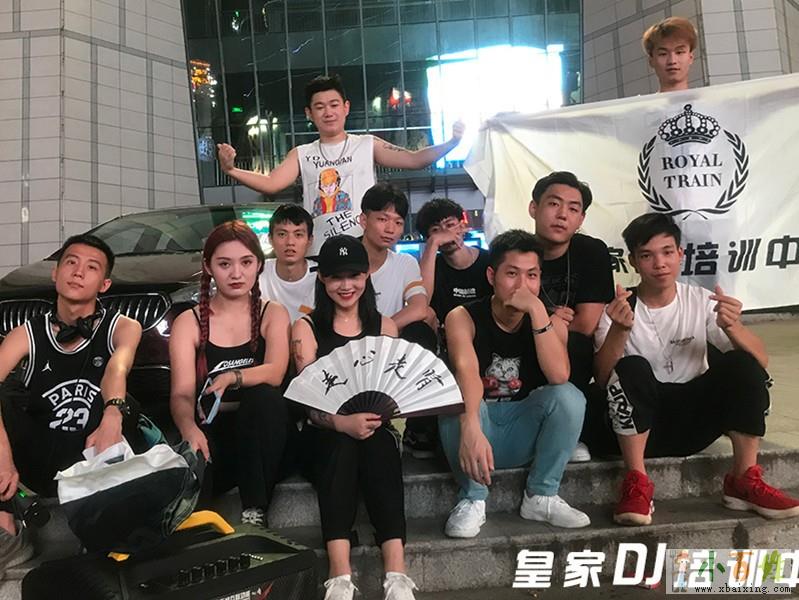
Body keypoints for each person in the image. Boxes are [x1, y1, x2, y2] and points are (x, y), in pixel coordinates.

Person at [594, 213, 799, 526]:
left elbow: (761, 361)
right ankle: (636, 481)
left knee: (743, 363)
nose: (660, 264)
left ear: (680, 254)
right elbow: (602, 378)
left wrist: (733, 327)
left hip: (694, 421)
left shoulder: (701, 300)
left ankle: (744, 480)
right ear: (633, 262)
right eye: (647, 256)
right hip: (640, 427)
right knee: (631, 367)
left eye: (667, 252)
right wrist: (619, 331)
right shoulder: (618, 309)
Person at [0, 234, 143, 574]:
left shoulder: (124, 327)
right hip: (39, 456)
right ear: (55, 273)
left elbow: (117, 368)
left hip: (91, 450)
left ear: (104, 284)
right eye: (71, 263)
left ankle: (100, 530)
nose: (78, 272)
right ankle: (7, 526)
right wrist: (3, 458)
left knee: (126, 406)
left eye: (91, 267)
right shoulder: (26, 334)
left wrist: (113, 412)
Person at [439, 229, 589, 539]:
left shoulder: (549, 322)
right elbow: (466, 372)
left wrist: (537, 310)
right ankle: (473, 499)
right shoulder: (461, 317)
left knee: (569, 396)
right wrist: (471, 427)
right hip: (477, 428)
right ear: (491, 276)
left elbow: (559, 376)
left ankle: (541, 496)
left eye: (532, 275)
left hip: (522, 430)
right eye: (512, 274)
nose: (522, 285)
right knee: (458, 399)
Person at [291, 235, 417, 600]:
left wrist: (378, 419)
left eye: (354, 275)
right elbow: (308, 401)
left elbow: (393, 391)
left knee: (379, 443)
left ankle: (396, 573)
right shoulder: (306, 328)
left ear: (366, 276)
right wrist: (342, 423)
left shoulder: (386, 326)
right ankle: (339, 575)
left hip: (375, 430)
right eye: (336, 277)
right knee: (341, 444)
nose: (346, 285)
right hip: (323, 433)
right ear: (322, 279)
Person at [217, 74, 465, 253]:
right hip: (319, 252)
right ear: (309, 113)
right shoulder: (302, 153)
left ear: (346, 108)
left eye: (334, 105)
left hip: (366, 248)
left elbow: (414, 159)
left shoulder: (367, 144)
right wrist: (231, 170)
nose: (328, 112)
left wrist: (452, 143)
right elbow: (272, 183)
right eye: (320, 107)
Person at [170, 220, 292, 528]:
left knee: (263, 397)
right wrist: (188, 428)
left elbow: (275, 372)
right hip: (217, 434)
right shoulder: (189, 321)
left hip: (266, 437)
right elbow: (182, 393)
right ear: (208, 267)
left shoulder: (273, 313)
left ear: (259, 265)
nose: (236, 274)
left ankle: (254, 510)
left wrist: (232, 377)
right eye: (225, 264)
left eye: (246, 262)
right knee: (196, 456)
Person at [528, 172, 614, 461]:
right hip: (526, 344)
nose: (562, 215)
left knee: (576, 341)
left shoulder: (591, 252)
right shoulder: (518, 252)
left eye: (573, 209)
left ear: (581, 219)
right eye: (554, 204)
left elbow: (586, 323)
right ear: (534, 208)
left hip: (570, 351)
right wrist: (549, 320)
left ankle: (569, 431)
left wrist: (544, 323)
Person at [360, 183, 439, 458]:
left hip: (389, 346)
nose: (390, 228)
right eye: (382, 219)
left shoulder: (404, 263)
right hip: (349, 346)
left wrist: (384, 329)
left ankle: (419, 429)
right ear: (363, 220)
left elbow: (419, 307)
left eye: (397, 222)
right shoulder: (346, 259)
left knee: (421, 332)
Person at [416, 198, 492, 327]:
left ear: (462, 226)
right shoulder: (430, 267)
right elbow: (420, 304)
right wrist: (433, 244)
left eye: (450, 225)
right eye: (436, 230)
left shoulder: (489, 260)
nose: (444, 233)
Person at [259, 203, 317, 323]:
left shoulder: (322, 276)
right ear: (270, 239)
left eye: (298, 235)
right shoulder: (258, 272)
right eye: (282, 234)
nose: (290, 242)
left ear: (310, 240)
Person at [642, 16, 697, 93]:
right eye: (663, 54)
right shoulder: (641, 101)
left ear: (690, 57)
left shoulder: (708, 100)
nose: (672, 61)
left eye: (679, 52)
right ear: (651, 61)